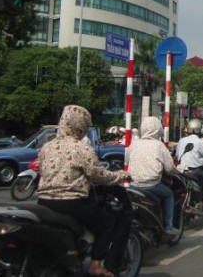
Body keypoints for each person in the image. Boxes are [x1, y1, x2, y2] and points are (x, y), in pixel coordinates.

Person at [38, 105, 128, 277]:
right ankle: (95, 264)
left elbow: (42, 170)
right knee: (107, 222)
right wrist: (120, 175)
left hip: (44, 201)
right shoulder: (82, 148)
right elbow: (98, 176)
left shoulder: (46, 147)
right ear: (80, 126)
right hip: (73, 203)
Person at [128, 116, 180, 233]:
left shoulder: (134, 144)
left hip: (133, 185)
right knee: (169, 195)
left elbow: (127, 161)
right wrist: (177, 171)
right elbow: (169, 168)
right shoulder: (159, 146)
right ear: (158, 129)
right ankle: (168, 226)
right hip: (152, 185)